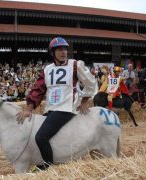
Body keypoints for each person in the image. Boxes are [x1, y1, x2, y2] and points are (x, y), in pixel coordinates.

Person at [17, 37, 96, 168]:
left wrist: (85, 100)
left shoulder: (75, 65)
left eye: (65, 49)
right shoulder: (47, 69)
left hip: (66, 108)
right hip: (51, 109)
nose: (63, 52)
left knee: (41, 137)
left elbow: (90, 82)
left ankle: (47, 168)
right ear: (53, 52)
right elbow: (38, 89)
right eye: (60, 50)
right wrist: (28, 109)